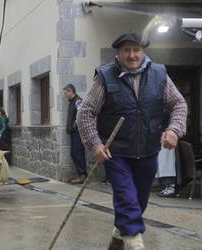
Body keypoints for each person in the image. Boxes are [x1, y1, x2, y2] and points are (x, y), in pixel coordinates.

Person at [76, 32, 187, 250]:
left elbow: (179, 104)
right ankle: (135, 244)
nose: (132, 55)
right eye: (127, 50)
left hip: (148, 150)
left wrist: (174, 129)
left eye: (136, 50)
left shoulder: (159, 74)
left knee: (140, 200)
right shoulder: (105, 77)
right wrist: (95, 145)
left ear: (143, 51)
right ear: (118, 53)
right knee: (126, 197)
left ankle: (119, 234)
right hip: (115, 152)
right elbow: (85, 113)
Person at [63, 84, 87, 184]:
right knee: (74, 153)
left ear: (71, 91)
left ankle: (83, 176)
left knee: (77, 152)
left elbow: (80, 114)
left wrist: (74, 125)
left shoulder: (78, 101)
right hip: (73, 133)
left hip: (78, 132)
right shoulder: (71, 102)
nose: (65, 95)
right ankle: (80, 174)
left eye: (66, 93)